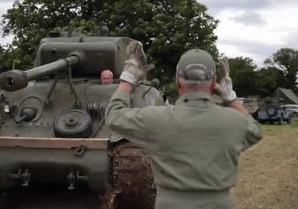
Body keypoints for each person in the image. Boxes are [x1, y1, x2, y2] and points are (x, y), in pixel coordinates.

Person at [105, 47, 263, 209]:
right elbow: (255, 130)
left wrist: (128, 79)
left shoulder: (157, 119)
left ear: (177, 80)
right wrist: (231, 98)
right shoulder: (233, 121)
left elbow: (114, 116)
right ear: (214, 83)